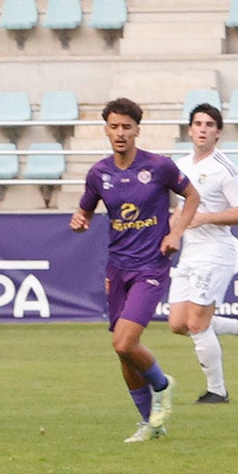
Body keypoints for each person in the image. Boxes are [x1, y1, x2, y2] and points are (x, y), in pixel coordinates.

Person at [70, 97, 200, 444]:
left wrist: (175, 232)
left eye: (127, 127)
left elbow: (193, 197)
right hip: (118, 267)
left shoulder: (159, 167)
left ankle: (162, 383)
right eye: (114, 126)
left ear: (137, 130)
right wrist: (79, 221)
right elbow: (83, 211)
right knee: (123, 351)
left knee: (124, 341)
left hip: (151, 266)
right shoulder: (99, 173)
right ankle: (150, 423)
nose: (120, 133)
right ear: (106, 130)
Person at [169, 104, 238, 405]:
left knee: (197, 323)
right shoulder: (180, 166)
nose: (203, 129)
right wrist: (175, 222)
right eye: (198, 123)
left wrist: (206, 217)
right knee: (177, 323)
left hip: (215, 252)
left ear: (218, 132)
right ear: (189, 129)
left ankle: (217, 391)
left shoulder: (224, 168)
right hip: (189, 252)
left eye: (209, 124)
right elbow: (181, 209)